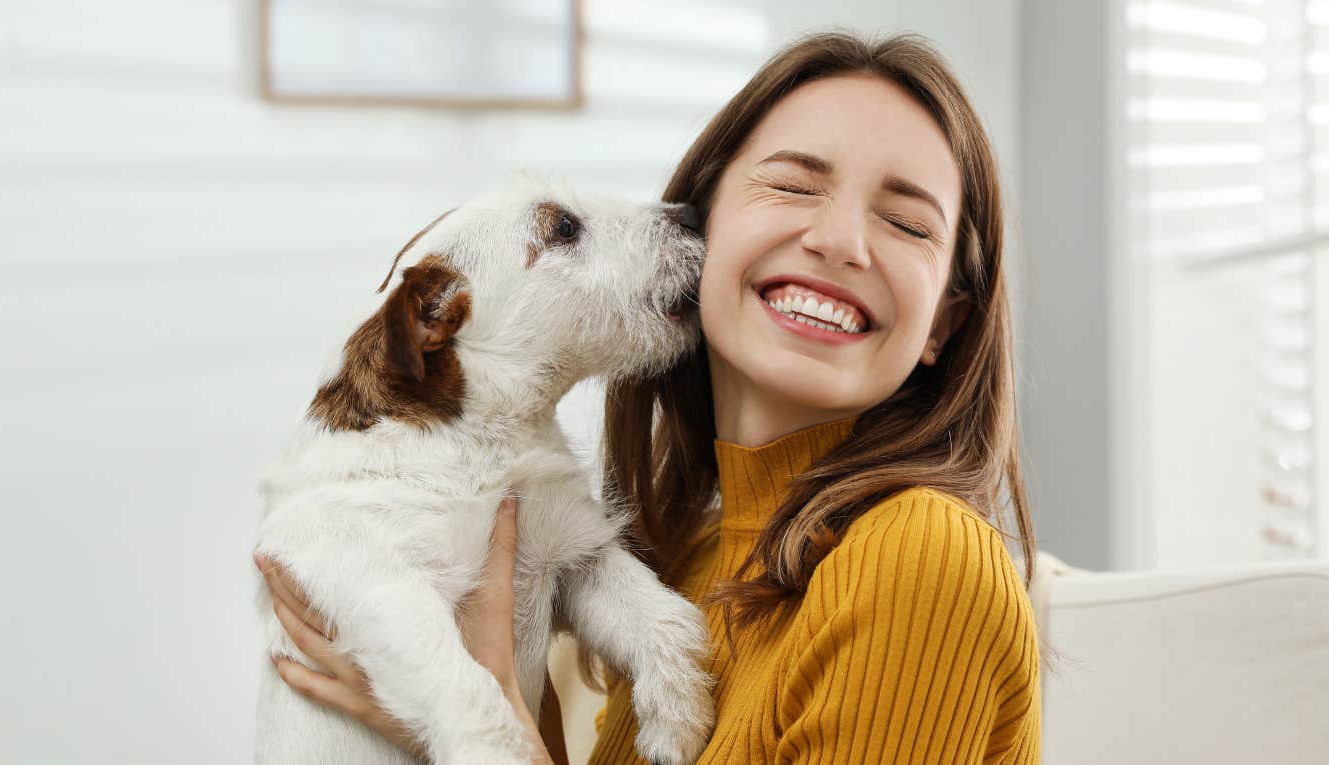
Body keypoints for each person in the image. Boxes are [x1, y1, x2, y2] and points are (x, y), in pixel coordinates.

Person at [258, 30, 1042, 764]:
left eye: (906, 223)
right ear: (706, 221)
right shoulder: (697, 556)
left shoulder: (920, 561)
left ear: (943, 322)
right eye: (794, 184)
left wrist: (479, 717)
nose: (840, 240)